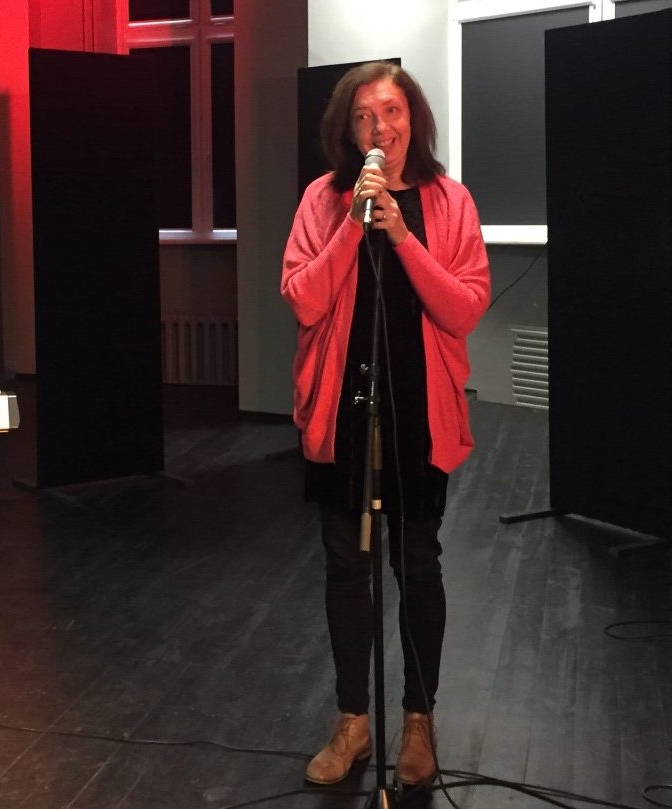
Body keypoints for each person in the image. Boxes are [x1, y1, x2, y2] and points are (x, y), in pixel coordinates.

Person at [280, 62, 490, 788]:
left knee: (417, 563)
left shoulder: (447, 201)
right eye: (365, 115)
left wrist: (401, 233)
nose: (380, 127)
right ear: (349, 129)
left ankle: (418, 720)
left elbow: (462, 309)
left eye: (392, 112)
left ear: (413, 119)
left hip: (418, 409)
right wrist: (353, 225)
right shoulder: (323, 199)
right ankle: (352, 722)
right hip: (342, 407)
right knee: (345, 564)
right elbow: (304, 300)